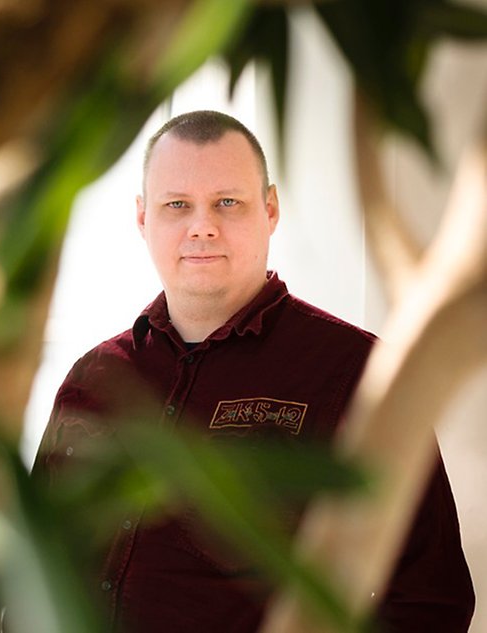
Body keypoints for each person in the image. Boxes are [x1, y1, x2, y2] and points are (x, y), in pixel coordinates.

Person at [32, 110, 475, 632]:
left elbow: (430, 601)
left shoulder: (357, 372)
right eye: (177, 205)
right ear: (142, 218)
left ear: (269, 210)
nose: (202, 226)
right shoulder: (94, 376)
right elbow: (36, 558)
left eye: (228, 202)